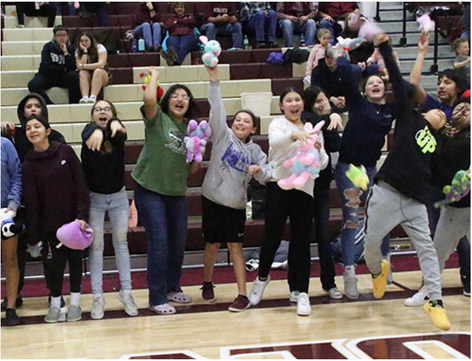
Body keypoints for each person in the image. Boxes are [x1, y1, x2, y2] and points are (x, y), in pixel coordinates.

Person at [363, 32, 450, 331]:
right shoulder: (409, 116)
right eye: (435, 107)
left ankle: (435, 301)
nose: (439, 110)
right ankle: (377, 270)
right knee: (371, 247)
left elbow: (439, 177)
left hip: (414, 202)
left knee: (427, 249)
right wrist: (386, 48)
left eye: (443, 111)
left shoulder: (439, 144)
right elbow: (405, 86)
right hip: (387, 193)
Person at [248, 87, 329, 316]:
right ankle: (262, 279)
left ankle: (300, 291)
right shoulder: (278, 125)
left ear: (303, 104)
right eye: (288, 100)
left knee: (301, 242)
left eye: (297, 100)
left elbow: (321, 164)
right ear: (282, 105)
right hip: (279, 186)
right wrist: (295, 135)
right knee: (272, 237)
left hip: (304, 190)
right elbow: (276, 142)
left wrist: (319, 149)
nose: (294, 104)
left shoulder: (313, 128)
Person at [200, 64, 271, 311]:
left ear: (253, 129)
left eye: (246, 121)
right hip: (212, 198)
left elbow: (268, 175)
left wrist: (259, 170)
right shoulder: (222, 135)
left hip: (236, 204)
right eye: (238, 119)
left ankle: (242, 295)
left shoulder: (255, 151)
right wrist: (214, 80)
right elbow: (216, 109)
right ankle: (207, 281)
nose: (241, 123)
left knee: (235, 246)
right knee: (212, 244)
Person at [132, 67, 200, 315]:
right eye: (175, 95)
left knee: (178, 242)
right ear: (167, 100)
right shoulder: (157, 118)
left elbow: (192, 171)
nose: (180, 99)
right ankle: (157, 297)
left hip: (176, 192)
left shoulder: (192, 131)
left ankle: (172, 287)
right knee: (159, 242)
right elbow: (149, 99)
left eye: (185, 96)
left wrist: (197, 154)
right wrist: (154, 75)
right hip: (149, 189)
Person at [333, 49, 392, 300]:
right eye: (371, 83)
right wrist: (353, 61)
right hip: (350, 168)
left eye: (379, 82)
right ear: (365, 90)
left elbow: (408, 90)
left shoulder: (390, 111)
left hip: (371, 168)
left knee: (382, 216)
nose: (376, 84)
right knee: (352, 218)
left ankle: (384, 263)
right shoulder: (358, 103)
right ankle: (349, 272)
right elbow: (345, 72)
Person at [1, 93, 66, 313]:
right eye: (28, 106)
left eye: (37, 106)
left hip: (48, 204)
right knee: (16, 253)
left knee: (49, 250)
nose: (33, 109)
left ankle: (54, 292)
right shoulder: (13, 135)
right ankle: (14, 293)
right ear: (22, 112)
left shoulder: (56, 136)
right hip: (19, 204)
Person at [22, 114, 90, 323]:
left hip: (73, 222)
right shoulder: (28, 164)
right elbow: (32, 202)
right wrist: (34, 235)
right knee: (53, 266)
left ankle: (76, 304)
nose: (32, 130)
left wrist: (82, 216)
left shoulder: (65, 151)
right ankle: (55, 303)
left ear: (48, 131)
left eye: (37, 126)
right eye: (28, 128)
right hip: (49, 226)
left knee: (75, 262)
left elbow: (80, 184)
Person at [404, 97, 470, 307]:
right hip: (454, 208)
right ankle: (428, 291)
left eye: (469, 109)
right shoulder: (440, 138)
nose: (465, 111)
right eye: (460, 108)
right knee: (437, 251)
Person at [80, 100, 138, 320]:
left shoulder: (117, 133)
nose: (102, 112)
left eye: (106, 109)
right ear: (92, 115)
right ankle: (97, 296)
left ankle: (127, 292)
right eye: (97, 110)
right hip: (94, 198)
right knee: (96, 246)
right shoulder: (88, 132)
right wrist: (95, 129)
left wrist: (114, 122)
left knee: (121, 243)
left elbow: (120, 133)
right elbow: (88, 131)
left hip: (118, 197)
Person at [302, 85, 344, 299]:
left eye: (323, 99)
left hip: (322, 190)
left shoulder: (332, 128)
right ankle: (298, 288)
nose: (321, 104)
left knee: (323, 236)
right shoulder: (307, 120)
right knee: (300, 237)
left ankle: (329, 283)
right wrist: (333, 114)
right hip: (301, 189)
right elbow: (309, 119)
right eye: (316, 101)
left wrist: (335, 113)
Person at [27, 25, 80, 104]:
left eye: (64, 35)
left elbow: (72, 66)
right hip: (48, 76)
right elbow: (45, 67)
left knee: (74, 76)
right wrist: (63, 68)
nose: (62, 38)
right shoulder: (48, 47)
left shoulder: (71, 48)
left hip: (63, 77)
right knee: (32, 85)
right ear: (54, 37)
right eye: (59, 35)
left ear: (67, 37)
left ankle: (74, 104)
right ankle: (49, 104)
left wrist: (65, 52)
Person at [1, 137, 22, 326]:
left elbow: (17, 176)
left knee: (10, 259)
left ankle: (11, 307)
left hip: (4, 211)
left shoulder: (5, 144)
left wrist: (13, 204)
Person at [75, 32, 111, 104]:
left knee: (98, 71)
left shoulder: (100, 47)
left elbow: (101, 64)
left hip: (102, 73)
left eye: (86, 40)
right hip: (88, 74)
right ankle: (85, 97)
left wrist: (84, 66)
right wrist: (85, 52)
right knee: (82, 73)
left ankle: (93, 97)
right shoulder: (78, 51)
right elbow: (80, 66)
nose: (84, 43)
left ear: (91, 40)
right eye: (82, 41)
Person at [311, 47, 347, 113]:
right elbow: (315, 90)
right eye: (327, 58)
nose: (330, 61)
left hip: (342, 101)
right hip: (323, 100)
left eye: (332, 58)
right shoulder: (317, 71)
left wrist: (344, 98)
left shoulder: (345, 69)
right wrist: (330, 98)